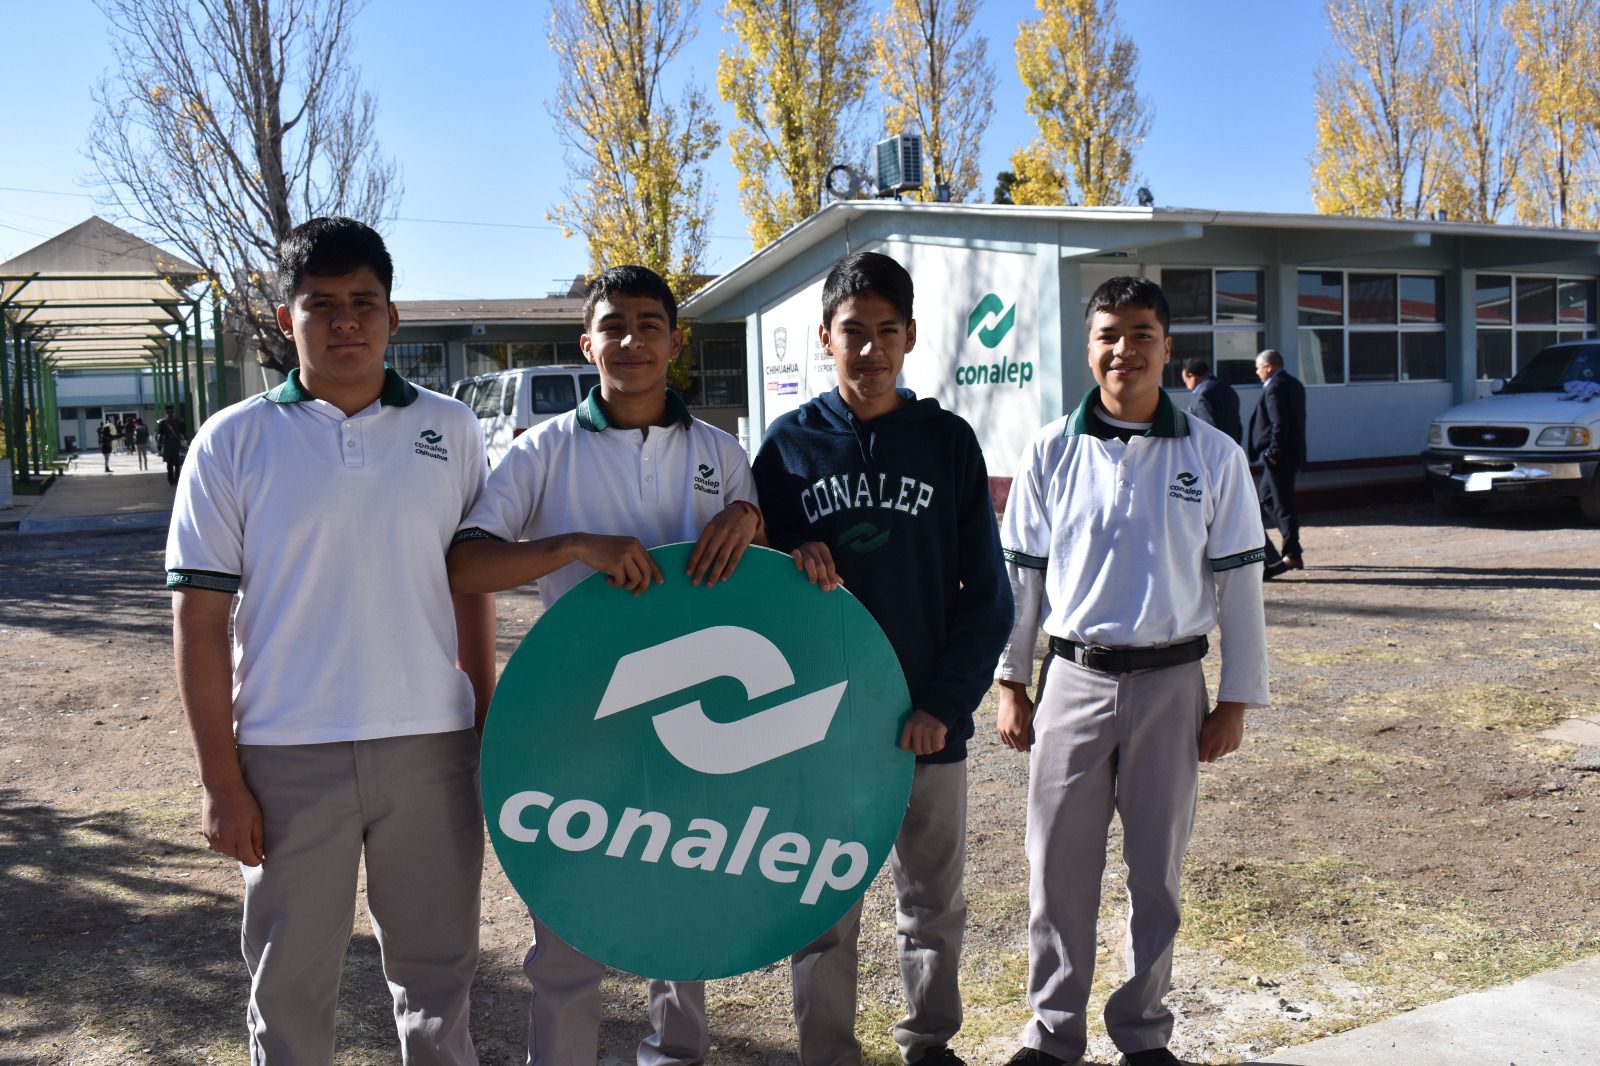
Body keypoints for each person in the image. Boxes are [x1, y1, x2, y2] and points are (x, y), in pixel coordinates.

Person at [166, 216, 495, 1065]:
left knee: (439, 981)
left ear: (393, 315)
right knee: (289, 988)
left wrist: (485, 724)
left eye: (364, 302)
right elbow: (199, 621)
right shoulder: (231, 441)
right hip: (286, 757)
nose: (345, 321)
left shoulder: (454, 429)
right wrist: (220, 781)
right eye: (321, 305)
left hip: (431, 746)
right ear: (287, 319)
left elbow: (470, 586)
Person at [445, 264, 763, 1066]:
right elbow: (466, 565)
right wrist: (575, 546)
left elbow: (758, 574)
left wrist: (750, 518)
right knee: (568, 924)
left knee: (682, 910)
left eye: (649, 325)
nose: (631, 341)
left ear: (676, 342)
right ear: (587, 345)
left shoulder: (720, 452)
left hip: (693, 721)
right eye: (612, 326)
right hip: (581, 718)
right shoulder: (541, 450)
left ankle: (677, 1054)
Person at [994, 276, 1268, 1066]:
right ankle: (1053, 1035)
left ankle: (1144, 1033)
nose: (1125, 350)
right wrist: (1012, 683)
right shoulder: (1052, 450)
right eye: (1108, 335)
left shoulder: (1212, 455)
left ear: (1167, 347)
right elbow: (1023, 578)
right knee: (1056, 870)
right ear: (1088, 349)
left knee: (1156, 873)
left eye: (1142, 334)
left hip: (1173, 686)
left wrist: (1236, 700)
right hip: (1072, 682)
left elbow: (1241, 583)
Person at [750, 250, 1013, 1066]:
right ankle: (827, 1054)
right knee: (820, 910)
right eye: (853, 332)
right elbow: (753, 590)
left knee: (932, 905)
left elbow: (989, 596)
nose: (869, 350)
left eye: (886, 332)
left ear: (911, 338)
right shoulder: (787, 449)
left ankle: (929, 1045)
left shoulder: (948, 443)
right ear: (824, 337)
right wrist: (787, 553)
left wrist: (945, 704)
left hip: (924, 727)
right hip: (818, 728)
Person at [1246, 349, 1307, 577]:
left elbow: (1279, 422)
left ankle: (1292, 553)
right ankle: (1292, 547)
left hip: (1280, 457)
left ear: (1268, 366)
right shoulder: (1294, 383)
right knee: (1268, 498)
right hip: (1290, 454)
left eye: (1258, 368)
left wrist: (1273, 453)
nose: (1257, 372)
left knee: (1282, 504)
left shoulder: (1275, 387)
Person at [1179, 357, 1241, 444]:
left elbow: (1209, 429)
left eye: (1186, 382)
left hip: (1213, 448)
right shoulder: (1228, 389)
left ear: (1192, 377)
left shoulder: (1204, 395)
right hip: (1233, 445)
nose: (1187, 387)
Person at [156, 404, 187, 485]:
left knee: (172, 463)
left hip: (170, 445)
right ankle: (175, 479)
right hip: (173, 444)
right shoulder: (179, 421)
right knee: (174, 463)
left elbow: (161, 435)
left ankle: (172, 479)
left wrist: (159, 446)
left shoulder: (163, 422)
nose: (169, 413)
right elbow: (183, 434)